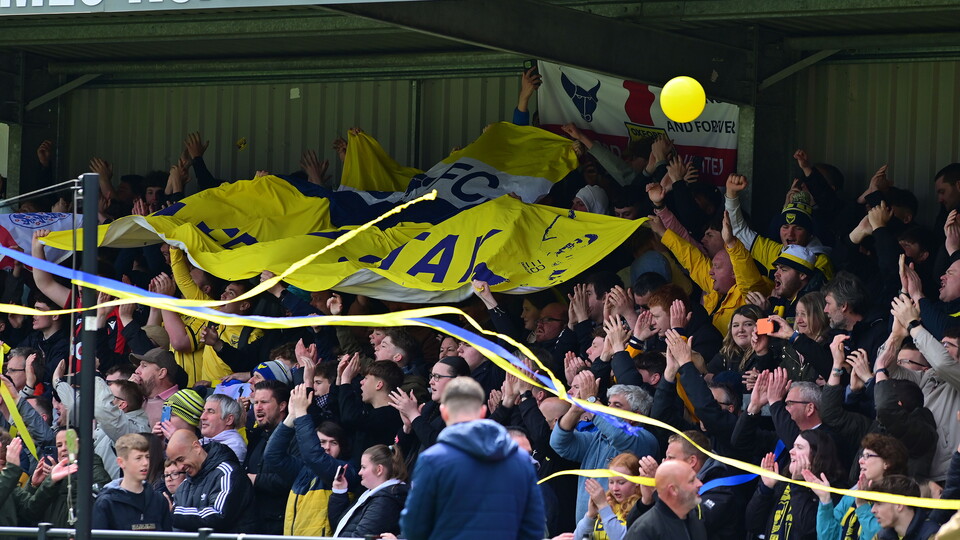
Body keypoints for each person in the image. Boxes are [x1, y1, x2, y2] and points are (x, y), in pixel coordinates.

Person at [400, 377, 544, 540]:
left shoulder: (433, 460)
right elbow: (534, 524)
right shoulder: (519, 459)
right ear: (482, 412)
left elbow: (414, 526)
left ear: (444, 412)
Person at [550, 372, 658, 519]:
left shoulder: (644, 439)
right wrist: (576, 409)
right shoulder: (597, 438)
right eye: (609, 404)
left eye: (617, 405)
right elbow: (559, 443)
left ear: (635, 416)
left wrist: (591, 402)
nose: (608, 408)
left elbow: (618, 435)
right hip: (586, 528)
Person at [264, 384, 359, 536]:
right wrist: (291, 416)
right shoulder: (304, 469)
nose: (327, 447)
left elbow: (315, 458)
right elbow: (272, 456)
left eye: (333, 442)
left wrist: (302, 414)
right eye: (321, 442)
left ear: (342, 447)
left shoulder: (345, 470)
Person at [746, 429, 845, 540]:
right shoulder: (784, 482)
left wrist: (799, 486)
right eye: (793, 446)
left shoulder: (831, 489)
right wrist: (765, 489)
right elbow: (752, 524)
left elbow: (807, 530)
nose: (791, 451)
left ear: (817, 454)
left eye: (799, 447)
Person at [808, 433, 909, 540]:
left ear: (887, 462)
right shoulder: (853, 493)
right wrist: (825, 501)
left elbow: (881, 536)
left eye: (868, 456)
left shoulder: (895, 498)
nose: (860, 461)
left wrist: (862, 505)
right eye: (862, 455)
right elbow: (827, 537)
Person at [167, 429, 255, 532]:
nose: (179, 467)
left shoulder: (227, 473)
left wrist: (174, 512)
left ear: (196, 447)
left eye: (181, 459)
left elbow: (219, 514)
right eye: (175, 462)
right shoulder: (183, 487)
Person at [92, 433, 172, 530]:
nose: (145, 463)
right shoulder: (106, 503)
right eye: (138, 458)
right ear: (121, 462)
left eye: (147, 457)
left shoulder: (158, 500)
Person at [329, 444, 409, 538]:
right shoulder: (371, 495)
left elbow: (360, 537)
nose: (359, 472)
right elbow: (339, 528)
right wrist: (340, 492)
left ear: (379, 469)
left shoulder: (384, 501)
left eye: (363, 467)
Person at [624, 460, 706, 540]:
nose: (700, 484)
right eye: (691, 481)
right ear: (673, 490)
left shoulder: (695, 520)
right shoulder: (645, 530)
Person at [573, 452, 641, 540]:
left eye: (621, 482)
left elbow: (624, 538)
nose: (615, 488)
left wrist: (603, 506)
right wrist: (590, 516)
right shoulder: (608, 503)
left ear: (637, 481)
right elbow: (575, 538)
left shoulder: (641, 508)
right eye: (611, 482)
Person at [870, 475, 940, 540]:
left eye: (879, 504)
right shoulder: (882, 536)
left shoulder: (934, 535)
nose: (873, 510)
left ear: (899, 505)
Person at [199, 394, 247, 462]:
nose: (202, 417)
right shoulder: (202, 442)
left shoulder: (234, 445)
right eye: (204, 411)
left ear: (229, 420)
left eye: (210, 411)